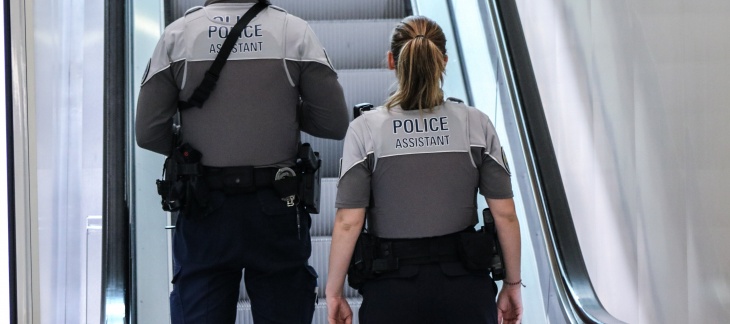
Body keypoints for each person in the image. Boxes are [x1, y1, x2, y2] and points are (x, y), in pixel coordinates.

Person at [135, 0, 349, 323]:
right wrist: (286, 114)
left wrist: (188, 145)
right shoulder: (294, 33)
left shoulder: (177, 36)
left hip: (204, 207)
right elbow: (333, 121)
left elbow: (148, 131)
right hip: (279, 206)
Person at [325, 15, 523, 324]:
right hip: (465, 289)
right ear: (443, 60)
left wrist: (334, 292)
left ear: (392, 61)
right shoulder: (476, 124)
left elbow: (349, 222)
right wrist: (511, 284)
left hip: (390, 292)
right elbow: (506, 215)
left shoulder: (365, 129)